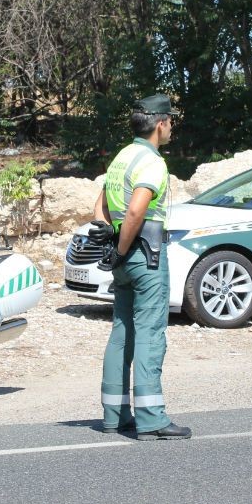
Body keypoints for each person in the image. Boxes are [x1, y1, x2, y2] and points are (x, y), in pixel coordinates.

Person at [89, 94, 192, 440]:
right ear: (160, 123)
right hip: (145, 255)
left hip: (124, 259)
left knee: (122, 331)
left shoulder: (122, 158)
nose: (172, 126)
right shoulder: (151, 162)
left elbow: (99, 208)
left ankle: (115, 415)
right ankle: (151, 418)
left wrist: (113, 244)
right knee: (150, 333)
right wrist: (121, 248)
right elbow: (136, 211)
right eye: (171, 121)